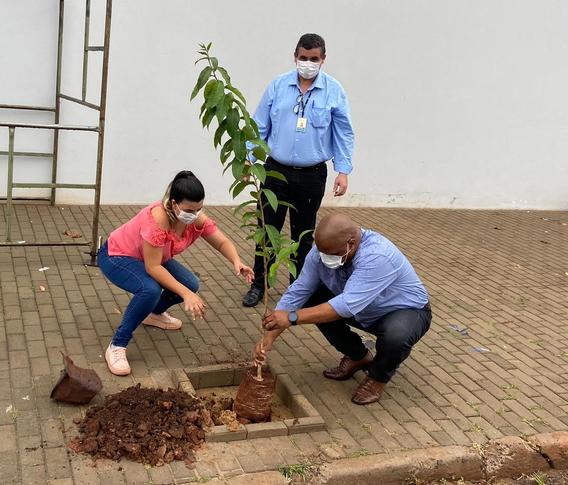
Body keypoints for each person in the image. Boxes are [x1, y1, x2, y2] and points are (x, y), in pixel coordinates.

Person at [254, 214, 432, 405]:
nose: (325, 259)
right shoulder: (320, 254)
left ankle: (377, 378)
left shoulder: (377, 255)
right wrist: (268, 338)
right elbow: (298, 292)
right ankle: (359, 356)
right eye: (322, 253)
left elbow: (345, 305)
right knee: (312, 300)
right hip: (362, 309)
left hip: (404, 311)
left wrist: (292, 318)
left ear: (352, 243)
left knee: (396, 337)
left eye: (332, 254)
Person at [97, 170, 254, 376]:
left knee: (191, 283)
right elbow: (153, 268)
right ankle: (117, 345)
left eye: (199, 209)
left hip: (151, 257)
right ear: (173, 204)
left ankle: (152, 314)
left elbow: (221, 241)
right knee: (150, 289)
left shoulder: (195, 218)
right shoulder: (158, 219)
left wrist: (236, 261)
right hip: (116, 256)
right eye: (190, 209)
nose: (195, 214)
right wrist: (186, 295)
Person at [242, 33, 355, 307]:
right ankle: (260, 283)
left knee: (304, 235)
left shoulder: (333, 91)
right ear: (295, 57)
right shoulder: (278, 87)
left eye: (314, 59)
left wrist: (343, 170)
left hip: (311, 174)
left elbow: (344, 132)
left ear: (323, 59)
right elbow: (259, 125)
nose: (308, 63)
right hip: (275, 171)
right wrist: (249, 158)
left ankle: (299, 288)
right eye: (303, 58)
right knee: (267, 229)